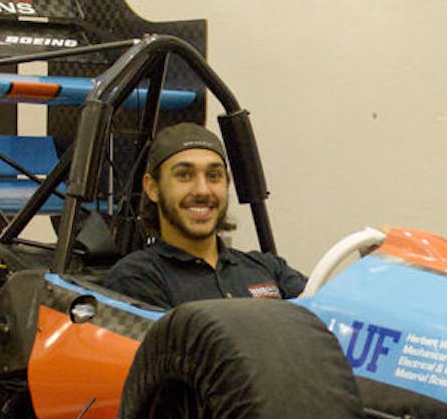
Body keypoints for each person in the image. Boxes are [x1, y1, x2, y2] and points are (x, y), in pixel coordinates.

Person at [101, 122, 305, 308]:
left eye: (214, 176)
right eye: (184, 175)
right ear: (153, 188)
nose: (202, 190)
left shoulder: (270, 268)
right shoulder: (136, 278)